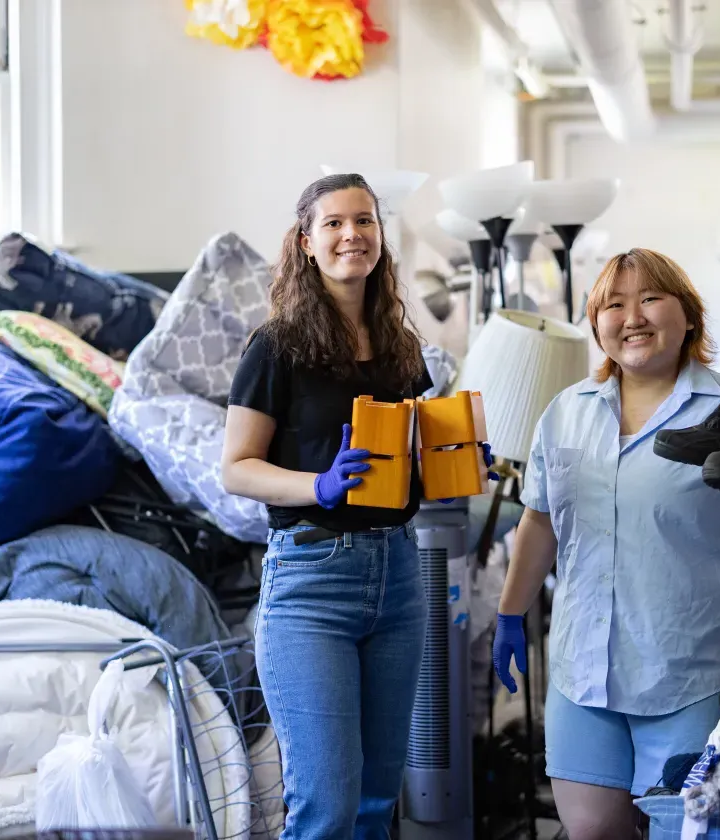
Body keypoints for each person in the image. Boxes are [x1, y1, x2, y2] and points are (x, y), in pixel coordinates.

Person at [491, 248, 720, 840]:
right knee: (592, 829)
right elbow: (539, 520)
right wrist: (509, 614)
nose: (632, 317)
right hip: (583, 669)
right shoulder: (566, 413)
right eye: (613, 305)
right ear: (596, 324)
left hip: (688, 669)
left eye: (650, 298)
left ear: (688, 315)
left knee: (682, 831)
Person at [221, 173, 492, 839]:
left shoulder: (403, 350)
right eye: (335, 223)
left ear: (380, 236)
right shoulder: (275, 347)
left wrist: (455, 463)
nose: (352, 235)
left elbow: (415, 467)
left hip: (399, 579)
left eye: (364, 221)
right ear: (307, 243)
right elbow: (236, 470)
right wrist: (319, 486)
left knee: (376, 806)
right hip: (312, 581)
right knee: (327, 808)